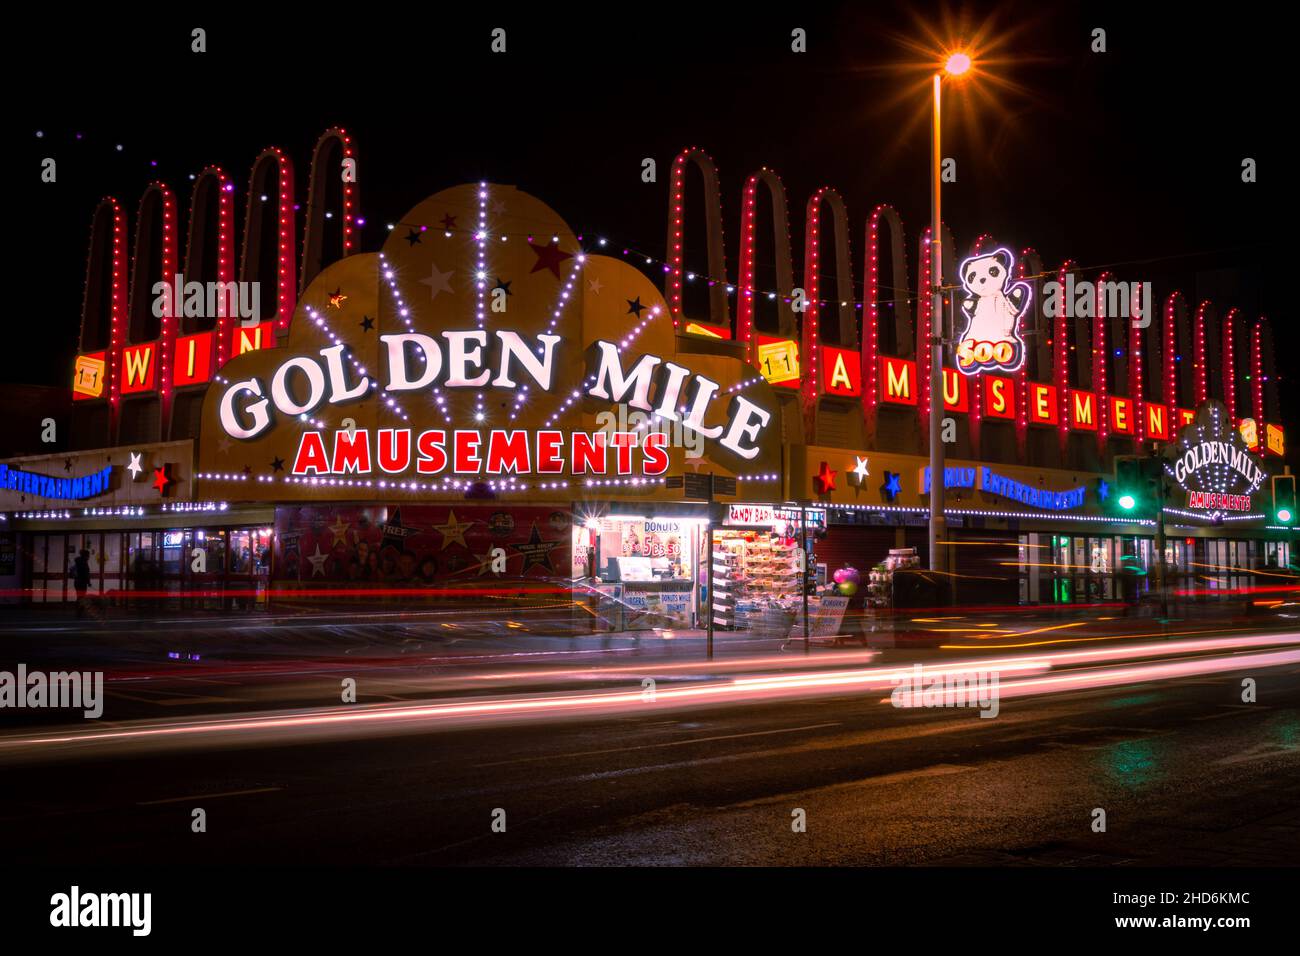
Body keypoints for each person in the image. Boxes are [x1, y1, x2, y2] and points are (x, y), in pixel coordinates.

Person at [70, 548, 92, 618]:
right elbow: (85, 574)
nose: (89, 557)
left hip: (77, 582)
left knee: (79, 597)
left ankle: (79, 611)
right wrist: (88, 582)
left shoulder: (78, 561)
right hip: (82, 582)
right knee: (81, 597)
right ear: (85, 555)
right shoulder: (83, 562)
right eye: (88, 555)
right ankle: (79, 612)